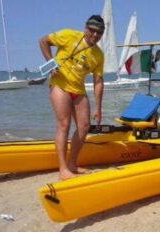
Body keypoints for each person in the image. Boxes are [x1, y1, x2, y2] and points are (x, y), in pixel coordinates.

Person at [39, 15, 105, 180]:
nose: (95, 35)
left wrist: (98, 108)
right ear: (86, 28)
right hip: (60, 85)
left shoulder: (98, 55)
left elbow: (98, 82)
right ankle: (63, 169)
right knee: (64, 124)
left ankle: (72, 164)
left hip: (79, 90)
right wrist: (51, 63)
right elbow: (43, 41)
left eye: (99, 33)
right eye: (92, 30)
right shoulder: (69, 36)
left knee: (84, 127)